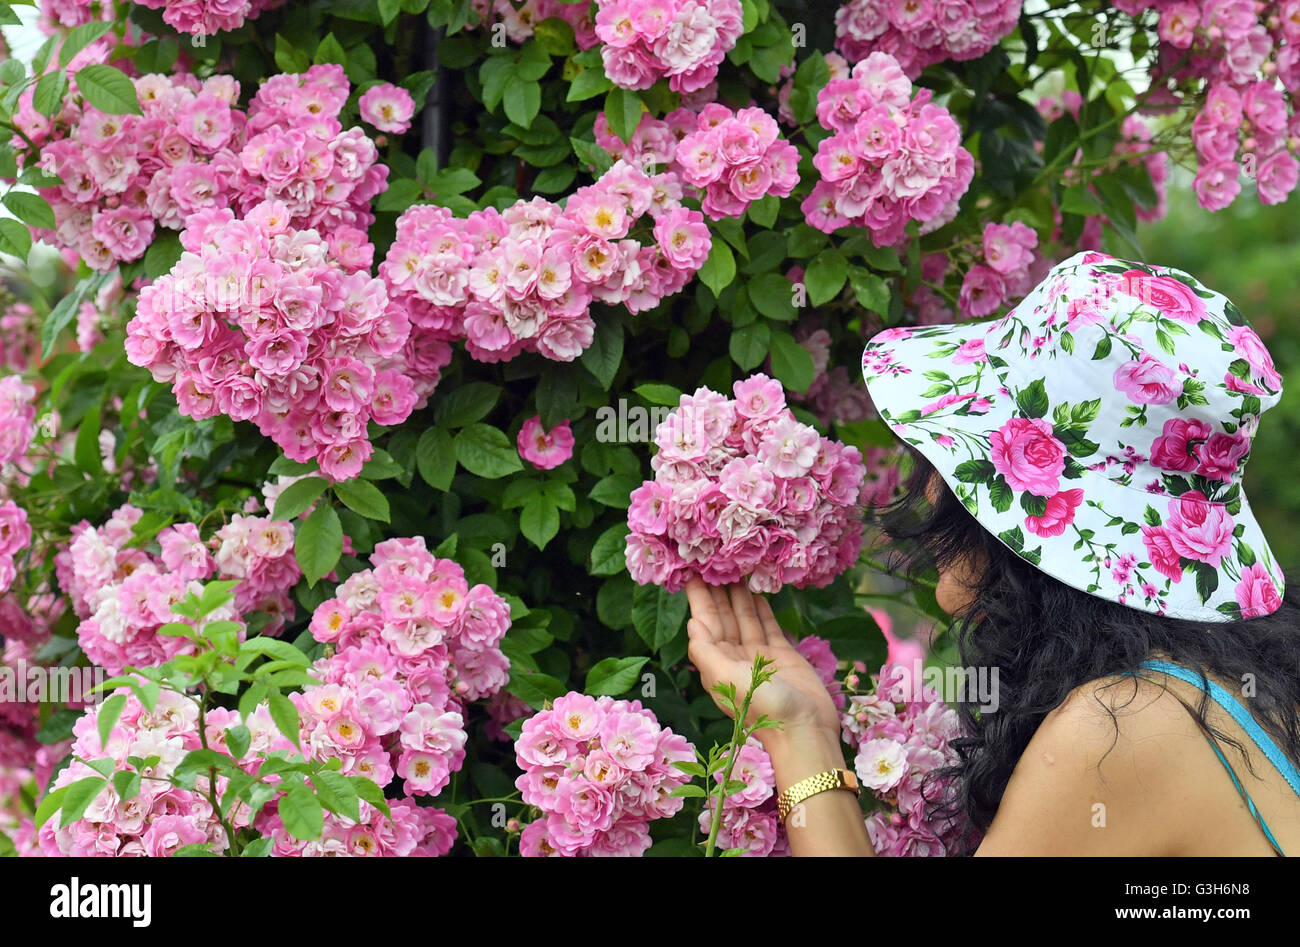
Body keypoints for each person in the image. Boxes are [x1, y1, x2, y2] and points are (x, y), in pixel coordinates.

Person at [683, 250, 1300, 856]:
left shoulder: (1120, 731)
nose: (947, 593)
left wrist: (795, 740)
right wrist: (803, 728)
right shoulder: (1239, 694)